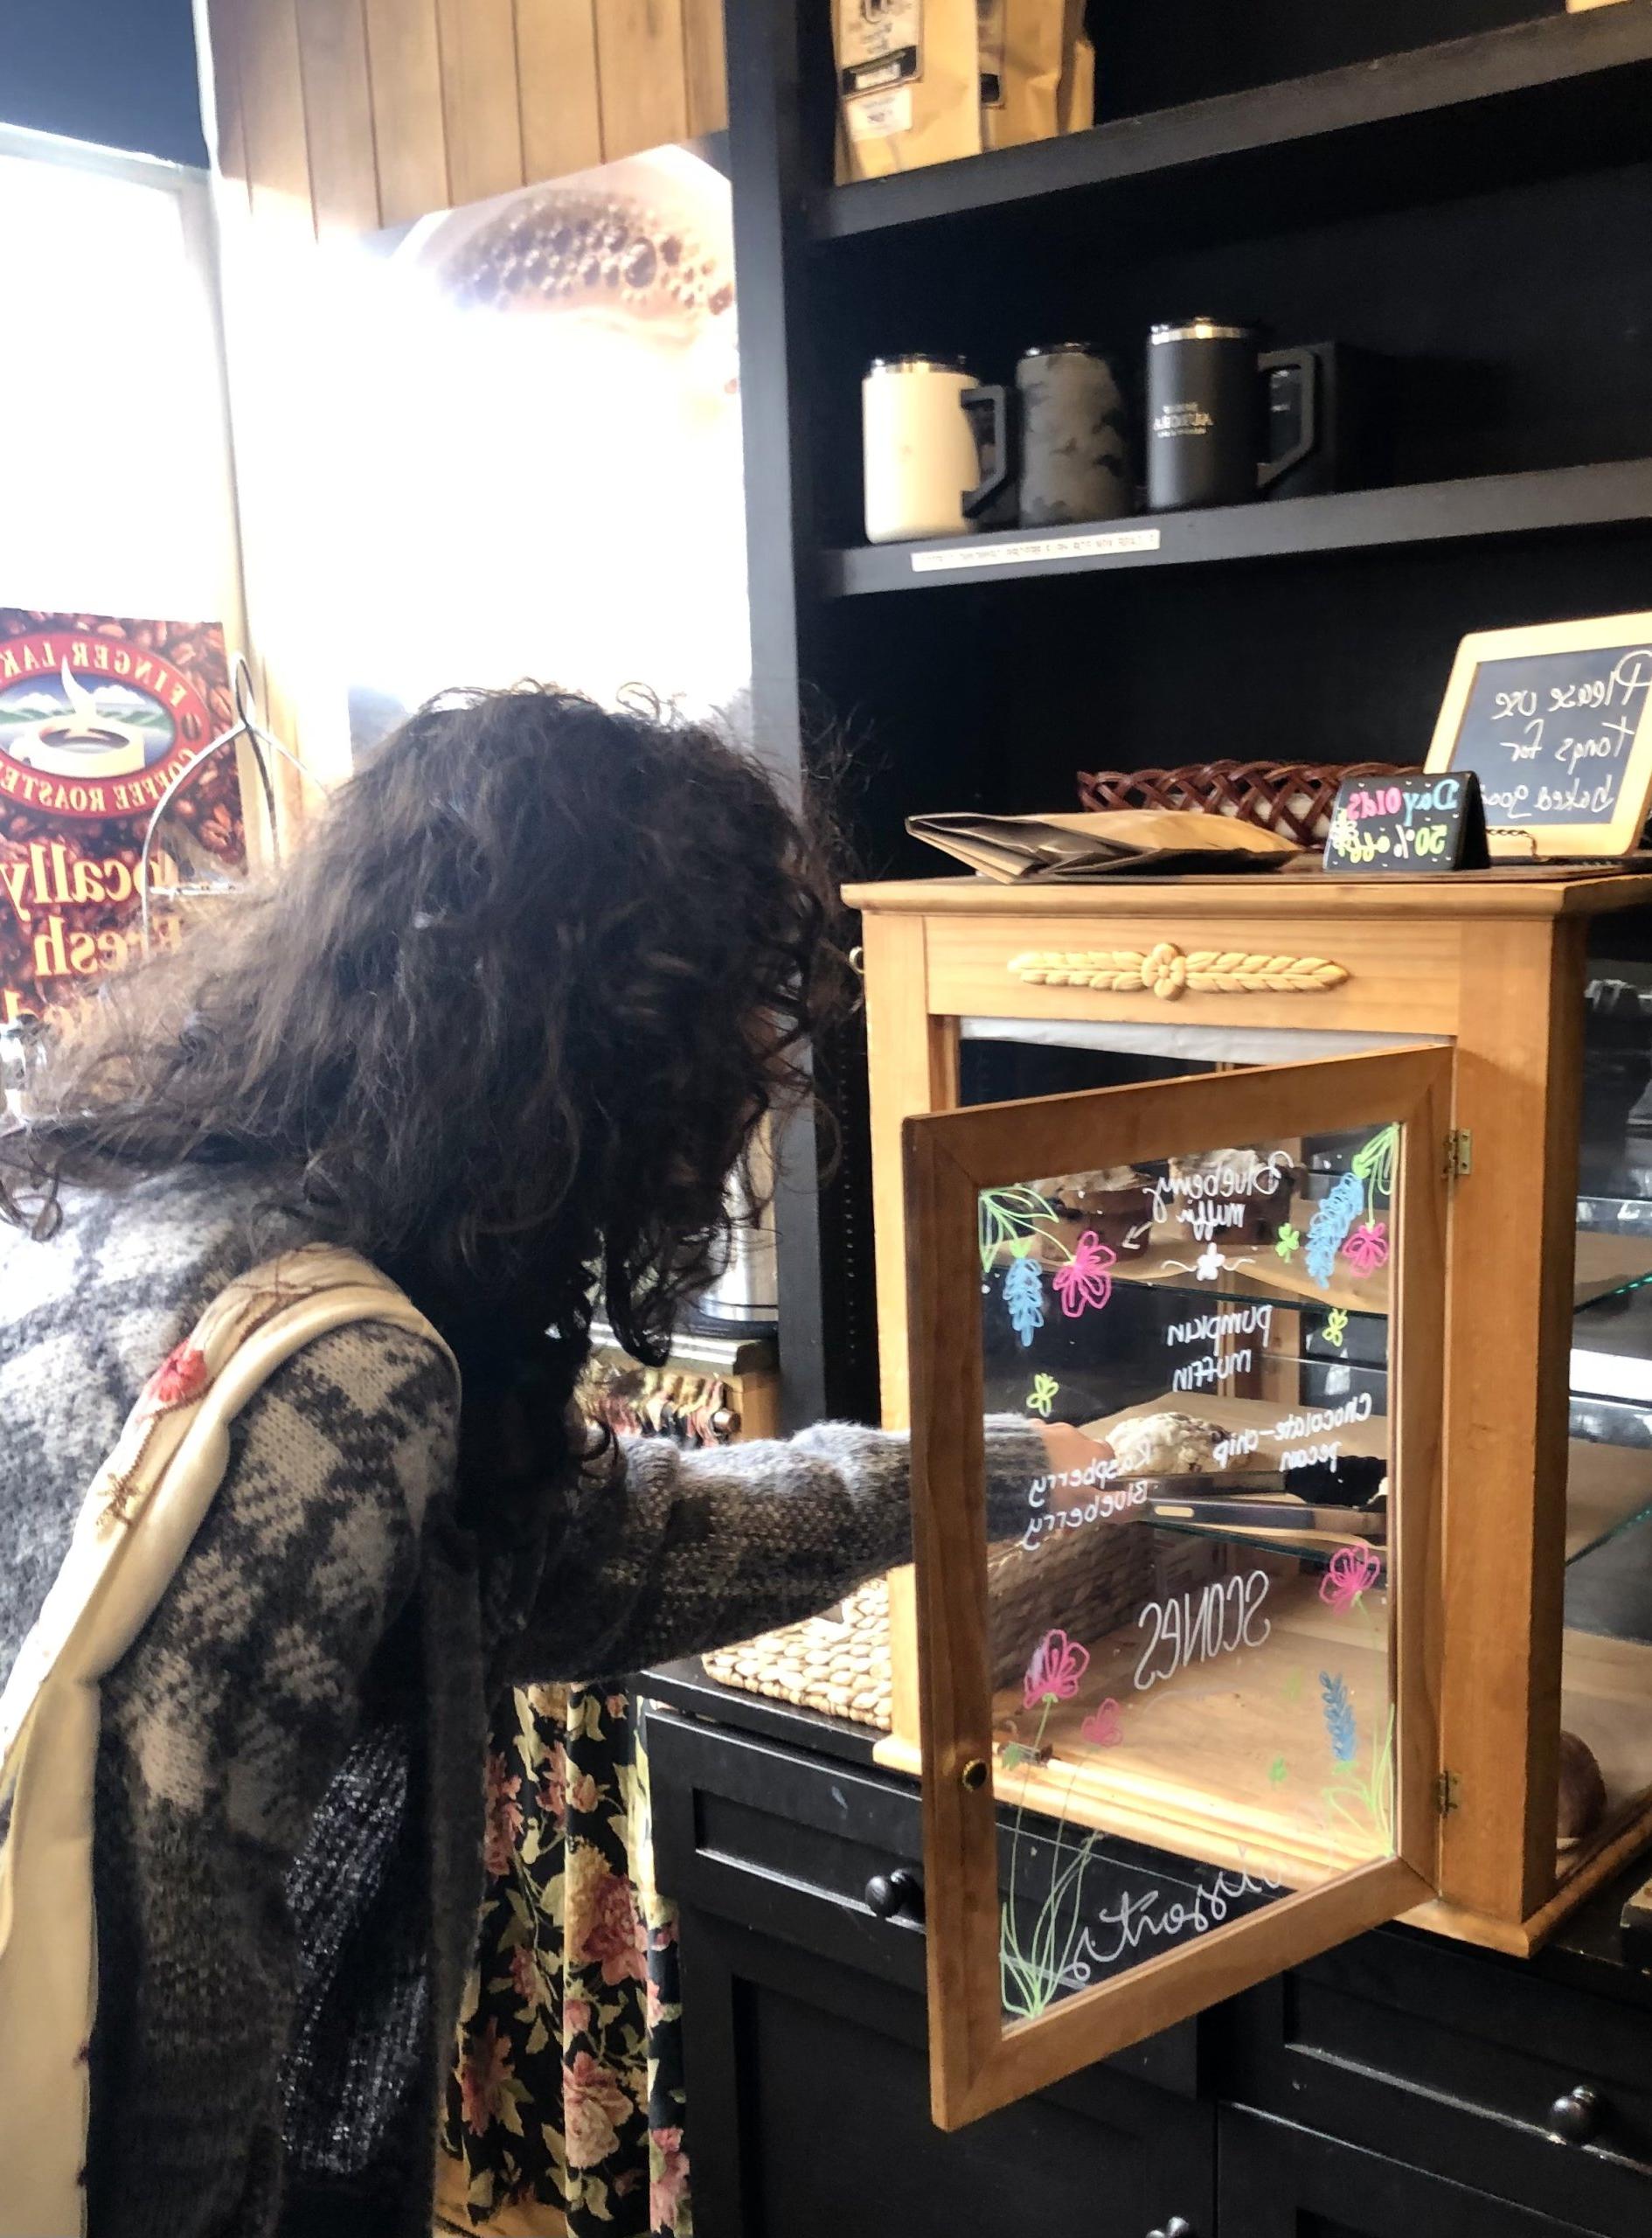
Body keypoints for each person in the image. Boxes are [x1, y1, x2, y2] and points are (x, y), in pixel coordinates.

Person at [0, 686, 1098, 2238]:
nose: (733, 1104)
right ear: (587, 1045)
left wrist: (967, 1480)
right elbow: (170, 2010)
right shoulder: (330, 1383)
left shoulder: (173, 1199)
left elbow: (571, 1559)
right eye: (713, 1035)